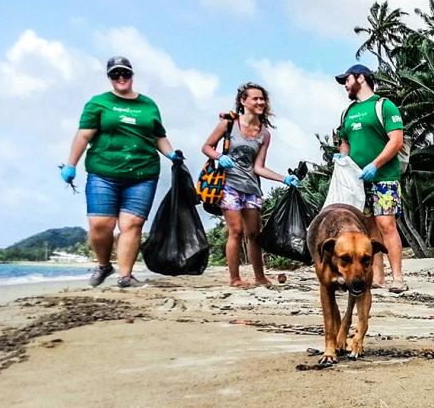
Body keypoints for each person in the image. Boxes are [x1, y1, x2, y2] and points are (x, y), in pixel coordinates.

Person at [60, 56, 182, 288]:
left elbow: (158, 136)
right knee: (100, 225)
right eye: (115, 74)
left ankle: (125, 276)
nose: (121, 78)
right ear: (109, 78)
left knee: (132, 224)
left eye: (125, 73)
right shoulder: (98, 103)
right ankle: (105, 265)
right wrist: (71, 164)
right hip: (103, 173)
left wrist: (171, 154)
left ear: (132, 75)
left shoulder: (148, 105)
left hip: (143, 174)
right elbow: (84, 135)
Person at [201, 83, 300, 288]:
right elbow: (206, 147)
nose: (260, 102)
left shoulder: (264, 134)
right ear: (243, 101)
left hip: (251, 187)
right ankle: (235, 279)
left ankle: (260, 277)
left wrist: (284, 178)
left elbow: (259, 167)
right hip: (228, 184)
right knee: (235, 231)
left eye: (262, 99)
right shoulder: (228, 124)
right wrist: (220, 156)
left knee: (254, 234)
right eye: (255, 98)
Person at [335, 64, 407, 293]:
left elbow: (396, 140)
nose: (345, 85)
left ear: (360, 78)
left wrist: (375, 165)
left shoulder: (384, 106)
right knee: (368, 229)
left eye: (347, 80)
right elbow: (345, 142)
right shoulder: (347, 112)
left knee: (386, 224)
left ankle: (398, 277)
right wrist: (341, 157)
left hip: (384, 176)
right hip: (357, 181)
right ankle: (378, 278)